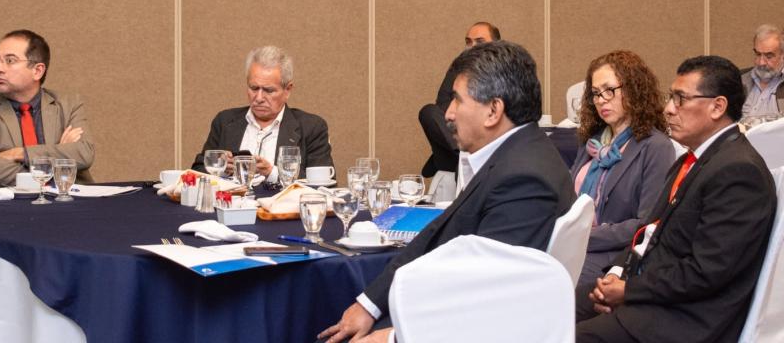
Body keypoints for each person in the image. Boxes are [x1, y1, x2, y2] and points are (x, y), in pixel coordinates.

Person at [320, 41, 575, 343]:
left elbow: (492, 298)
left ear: (493, 111)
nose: (449, 114)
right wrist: (370, 304)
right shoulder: (515, 155)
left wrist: (394, 337)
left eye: (457, 100)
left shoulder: (525, 181)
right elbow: (437, 232)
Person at [576, 55, 777, 343]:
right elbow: (648, 232)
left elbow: (707, 272)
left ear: (717, 106)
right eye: (671, 98)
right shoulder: (694, 160)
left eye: (680, 99)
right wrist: (617, 274)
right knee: (554, 306)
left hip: (683, 319)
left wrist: (629, 291)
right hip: (654, 292)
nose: (669, 109)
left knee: (565, 336)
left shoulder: (738, 172)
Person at [570, 50, 675, 289]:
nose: (601, 100)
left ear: (634, 89)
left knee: (551, 285)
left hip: (614, 256)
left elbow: (647, 224)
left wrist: (583, 237)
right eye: (595, 93)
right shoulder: (592, 142)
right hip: (575, 244)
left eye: (609, 90)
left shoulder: (656, 146)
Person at [192, 45, 333, 182]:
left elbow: (324, 185)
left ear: (288, 90)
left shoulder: (311, 128)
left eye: (268, 90)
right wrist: (220, 168)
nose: (259, 98)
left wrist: (272, 173)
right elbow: (197, 171)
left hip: (282, 199)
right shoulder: (225, 121)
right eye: (254, 88)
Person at [0, 29, 95, 186]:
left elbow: (84, 153)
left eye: (10, 61)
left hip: (72, 197)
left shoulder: (68, 104)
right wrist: (57, 154)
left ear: (37, 71)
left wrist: (20, 153)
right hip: (14, 200)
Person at [418, 21, 501, 178]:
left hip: (486, 139)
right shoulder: (458, 68)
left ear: (496, 45)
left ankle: (463, 156)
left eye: (480, 42)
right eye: (468, 42)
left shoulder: (505, 72)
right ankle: (462, 156)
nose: (472, 46)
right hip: (457, 136)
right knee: (428, 112)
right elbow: (442, 106)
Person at [742, 23, 784, 118]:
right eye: (758, 54)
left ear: (782, 55)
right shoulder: (740, 79)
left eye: (769, 56)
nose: (761, 62)